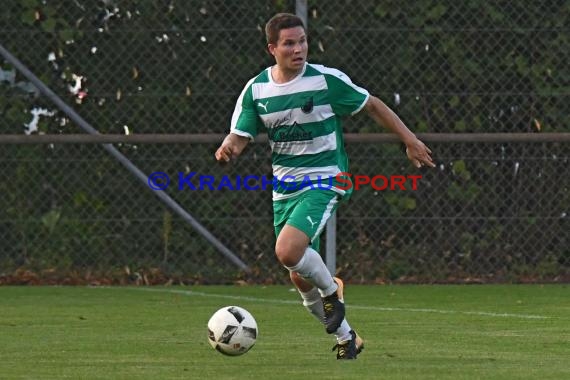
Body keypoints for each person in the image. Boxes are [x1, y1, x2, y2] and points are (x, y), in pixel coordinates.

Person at [215, 13, 435, 359]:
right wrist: (229, 148)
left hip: (325, 177)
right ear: (272, 48)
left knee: (287, 251)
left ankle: (333, 291)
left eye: (302, 41)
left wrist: (409, 140)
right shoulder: (257, 89)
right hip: (284, 189)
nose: (298, 49)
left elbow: (373, 105)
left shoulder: (325, 81)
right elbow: (240, 135)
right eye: (289, 43)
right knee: (300, 279)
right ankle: (348, 339)